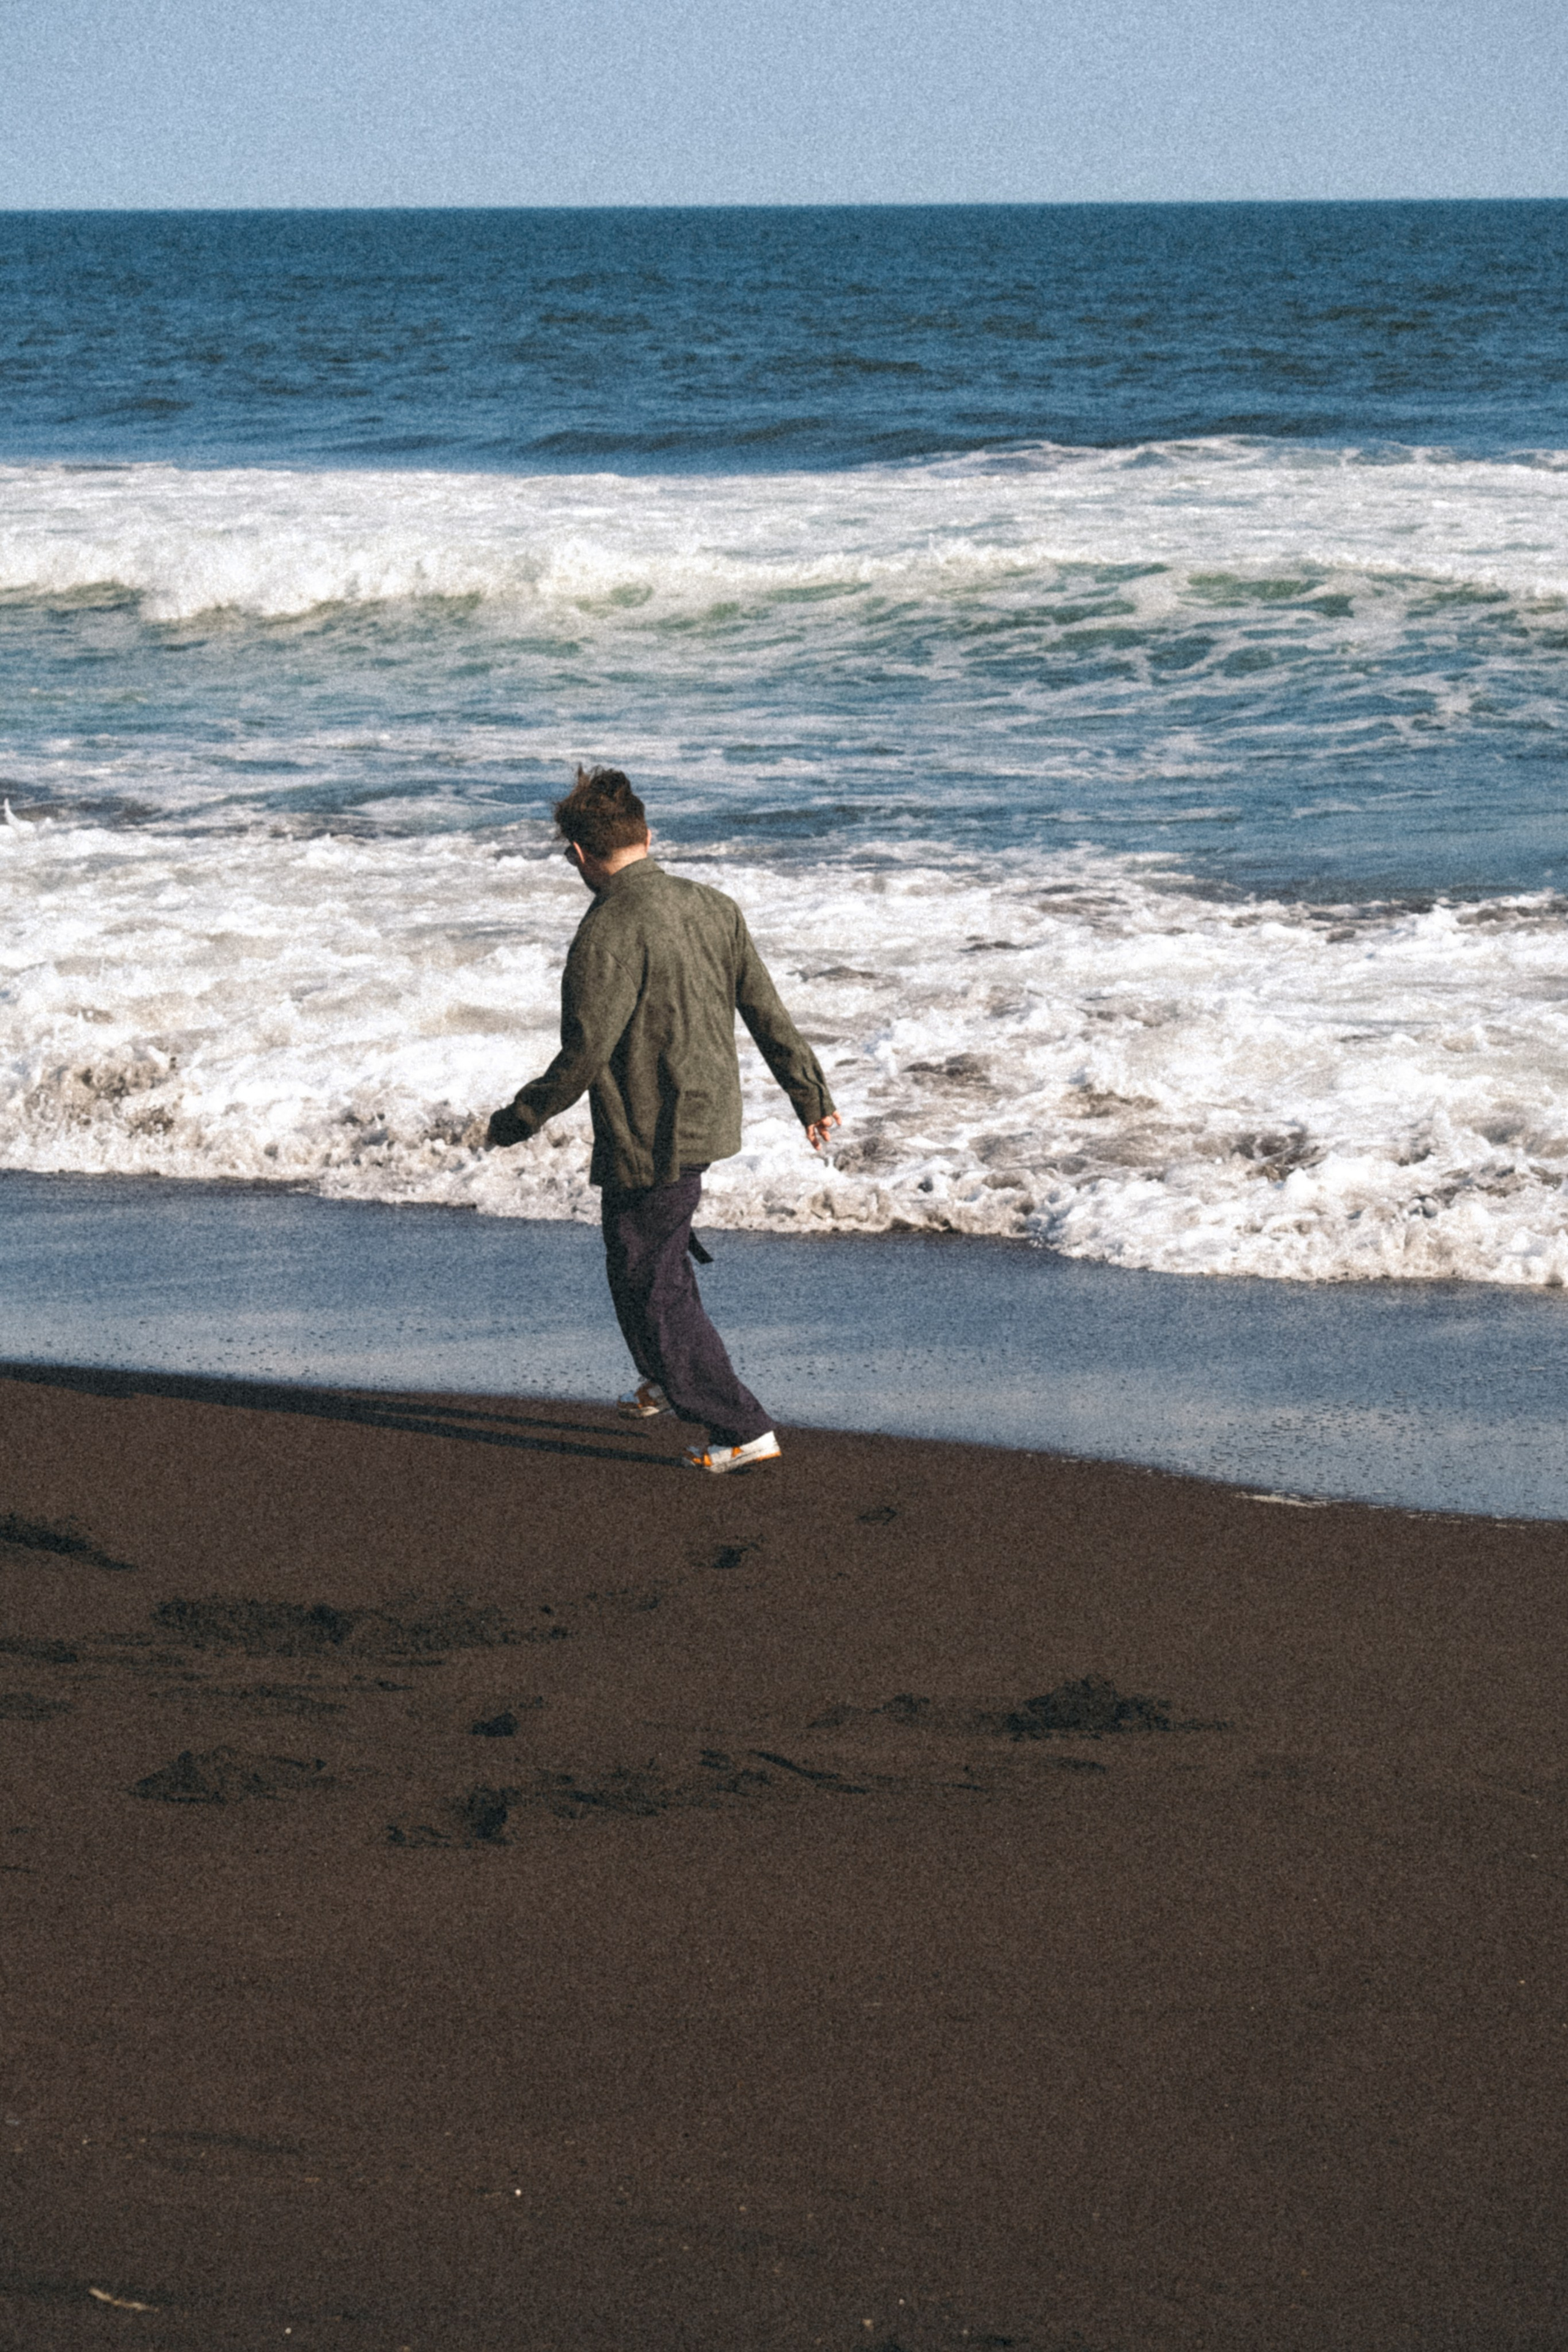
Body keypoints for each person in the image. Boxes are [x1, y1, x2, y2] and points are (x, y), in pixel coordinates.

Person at [486, 766, 840, 1474]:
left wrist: (517, 1119)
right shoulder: (715, 906)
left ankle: (739, 1427)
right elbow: (766, 1012)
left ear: (580, 855)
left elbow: (583, 1055)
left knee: (651, 1279)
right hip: (707, 1115)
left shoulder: (606, 930)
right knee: (641, 1259)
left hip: (651, 1129)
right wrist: (811, 1096)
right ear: (648, 837)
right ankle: (663, 1377)